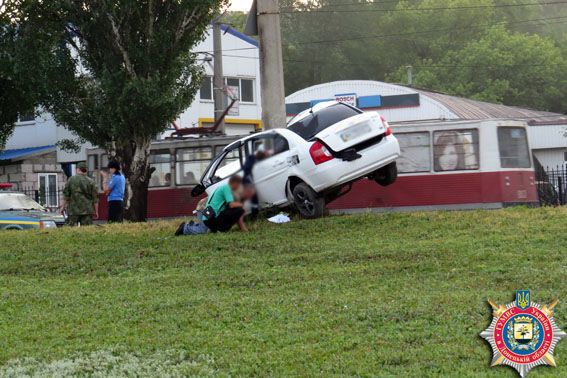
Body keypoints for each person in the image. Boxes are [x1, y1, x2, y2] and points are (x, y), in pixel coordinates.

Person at [175, 175, 248, 236]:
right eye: (239, 185)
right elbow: (231, 205)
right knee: (202, 230)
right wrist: (242, 205)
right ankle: (184, 228)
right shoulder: (227, 188)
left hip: (208, 211)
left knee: (204, 228)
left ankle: (190, 225)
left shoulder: (222, 187)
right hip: (211, 213)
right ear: (234, 183)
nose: (239, 187)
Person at [59, 162, 99, 226]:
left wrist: (62, 207)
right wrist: (96, 211)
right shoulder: (91, 182)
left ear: (77, 169)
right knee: (87, 231)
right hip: (87, 211)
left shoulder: (71, 180)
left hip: (73, 211)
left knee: (70, 231)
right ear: (86, 170)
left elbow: (66, 195)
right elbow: (95, 199)